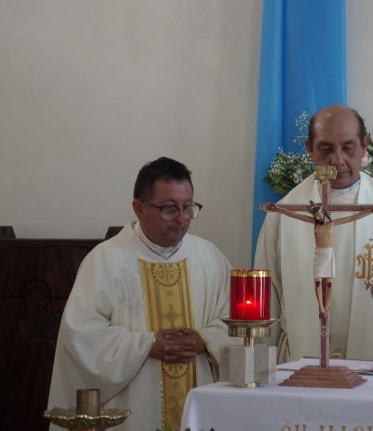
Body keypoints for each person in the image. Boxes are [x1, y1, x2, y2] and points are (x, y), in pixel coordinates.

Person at [48, 157, 235, 431]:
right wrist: (146, 345)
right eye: (170, 208)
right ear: (139, 208)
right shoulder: (105, 260)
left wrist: (205, 340)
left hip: (200, 409)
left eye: (188, 207)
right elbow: (81, 336)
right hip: (132, 413)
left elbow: (236, 321)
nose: (182, 218)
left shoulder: (210, 257)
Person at [255, 105, 373, 362]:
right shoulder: (284, 215)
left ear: (365, 145)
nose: (337, 160)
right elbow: (266, 302)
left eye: (348, 147)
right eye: (325, 148)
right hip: (301, 366)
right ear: (309, 148)